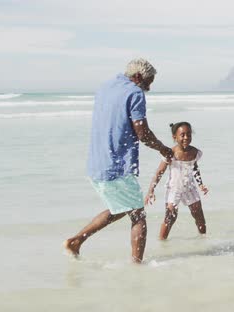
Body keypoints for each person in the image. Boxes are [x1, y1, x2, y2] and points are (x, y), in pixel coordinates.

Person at [63, 58, 173, 263]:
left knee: (121, 208)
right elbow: (143, 133)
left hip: (96, 163)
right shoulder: (134, 92)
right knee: (138, 215)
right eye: (148, 82)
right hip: (116, 166)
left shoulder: (105, 87)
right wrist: (164, 149)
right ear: (138, 77)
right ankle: (137, 266)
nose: (149, 87)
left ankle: (77, 241)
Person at [145, 122, 209, 239]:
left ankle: (203, 240)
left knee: (199, 216)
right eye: (182, 135)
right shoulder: (171, 153)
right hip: (174, 188)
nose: (186, 138)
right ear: (175, 137)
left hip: (190, 188)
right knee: (170, 218)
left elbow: (194, 167)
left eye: (188, 134)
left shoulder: (195, 152)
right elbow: (159, 172)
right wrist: (151, 191)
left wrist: (200, 184)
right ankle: (162, 242)